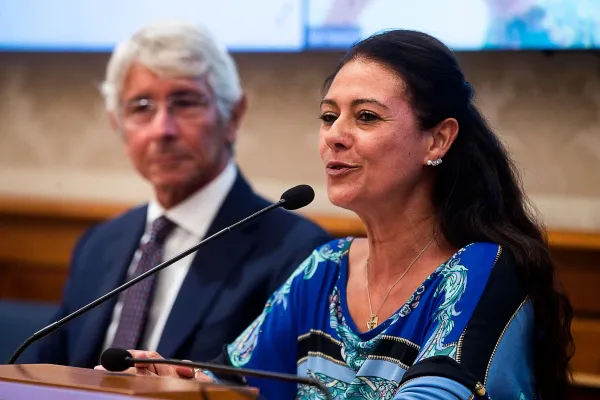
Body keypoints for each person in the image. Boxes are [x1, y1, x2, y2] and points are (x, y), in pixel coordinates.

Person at [100, 29, 574, 400]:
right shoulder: (323, 270)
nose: (335, 136)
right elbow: (234, 385)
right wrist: (178, 382)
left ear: (437, 140)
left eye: (366, 117)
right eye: (329, 117)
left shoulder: (480, 270)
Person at [22, 21, 331, 368]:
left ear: (233, 115)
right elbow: (40, 371)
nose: (162, 130)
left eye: (185, 103)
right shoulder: (99, 245)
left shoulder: (298, 253)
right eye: (141, 107)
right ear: (117, 124)